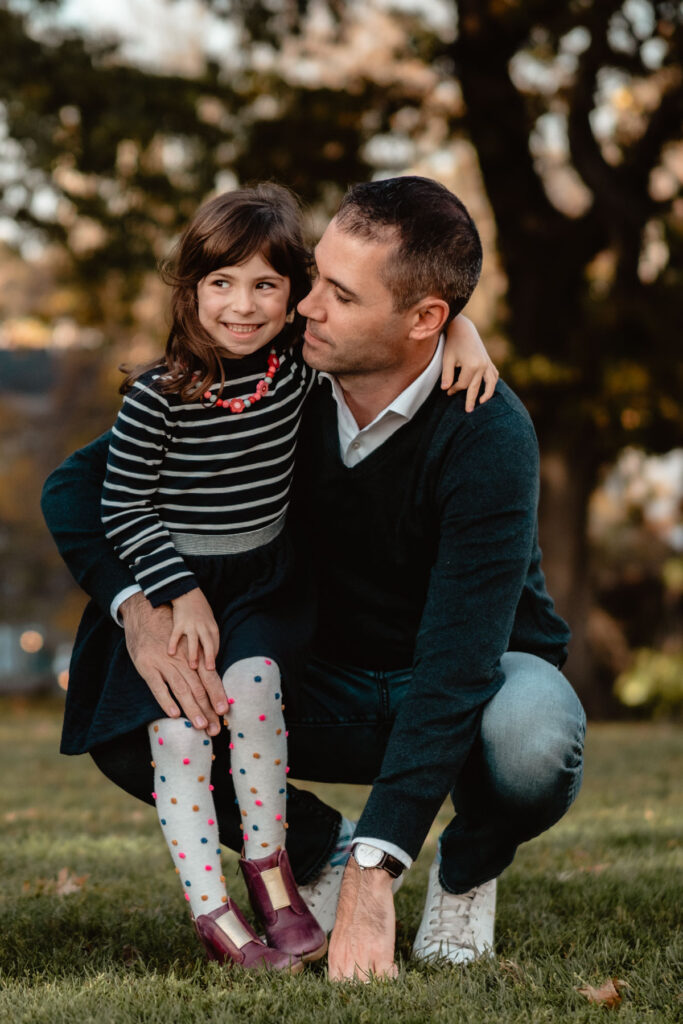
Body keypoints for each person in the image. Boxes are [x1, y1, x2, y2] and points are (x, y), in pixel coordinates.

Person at [41, 180, 500, 974]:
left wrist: (459, 329)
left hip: (270, 596)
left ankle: (288, 878)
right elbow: (86, 493)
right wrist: (148, 599)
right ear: (189, 291)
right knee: (171, 730)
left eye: (271, 286)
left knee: (255, 694)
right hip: (181, 587)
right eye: (221, 283)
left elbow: (414, 311)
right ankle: (227, 906)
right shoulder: (164, 392)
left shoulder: (299, 367)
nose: (247, 305)